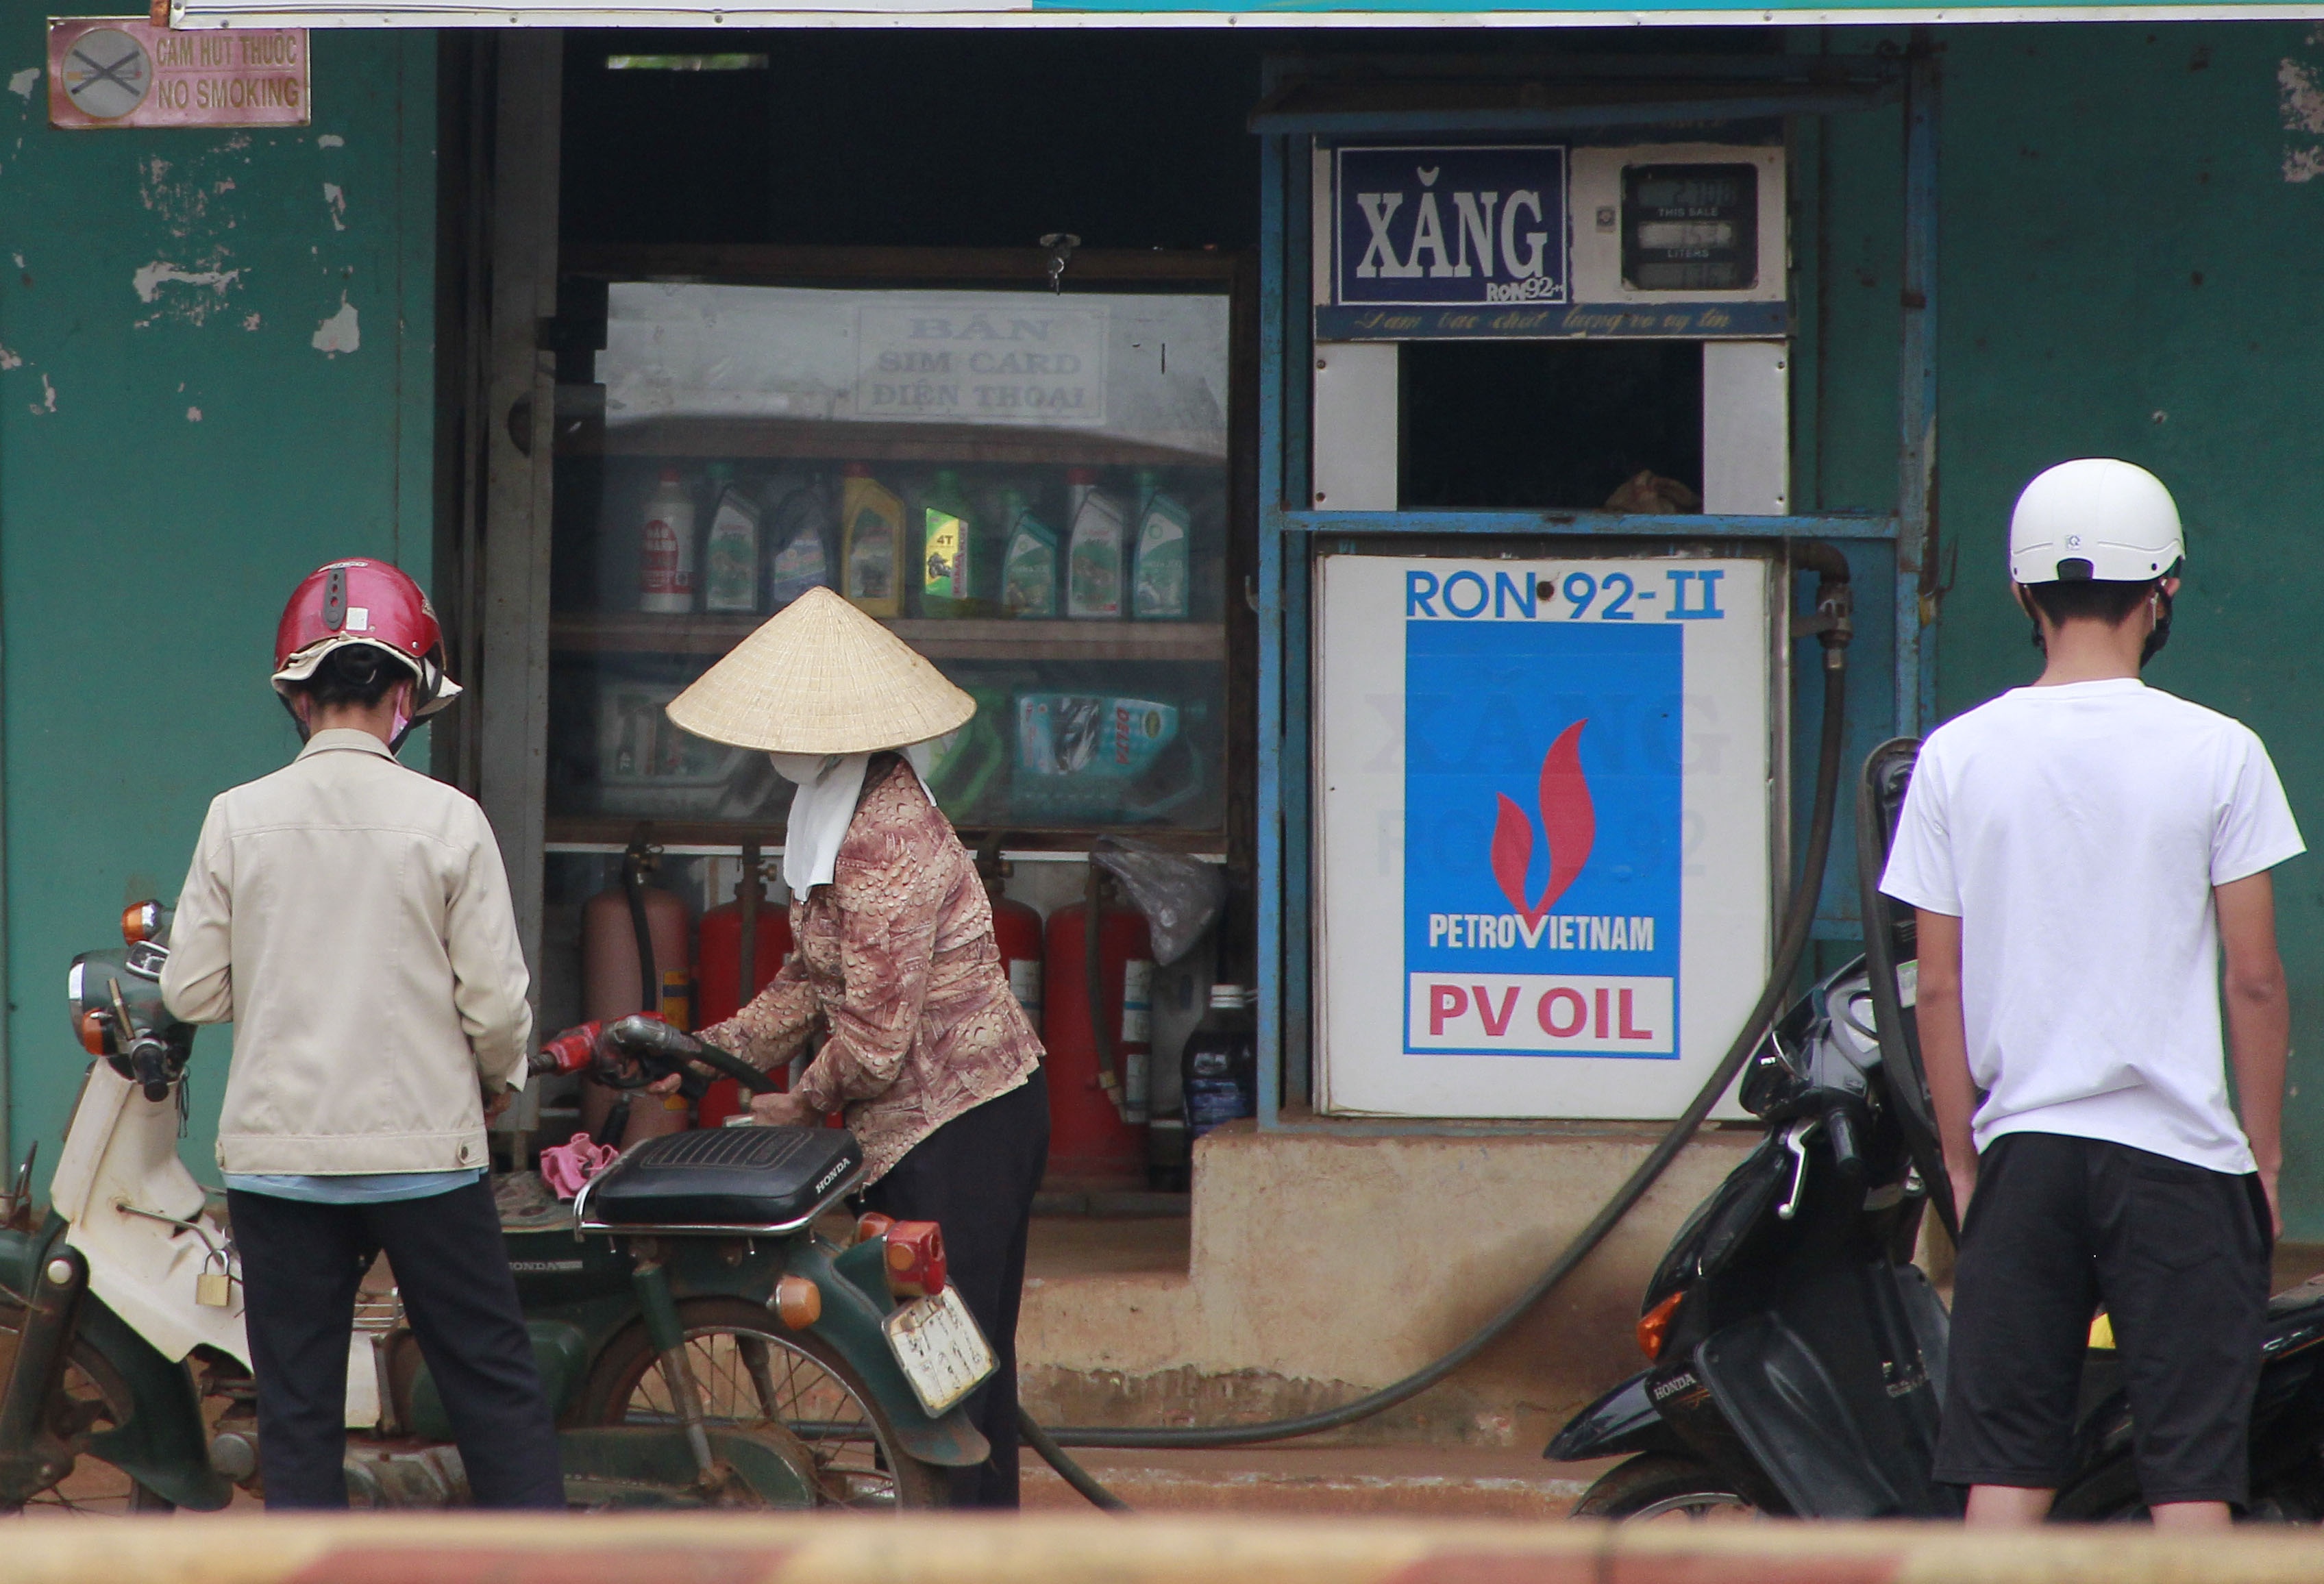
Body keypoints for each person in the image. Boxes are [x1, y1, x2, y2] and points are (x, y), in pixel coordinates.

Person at [1880, 459, 2301, 1529]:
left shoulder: (1955, 757)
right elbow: (2253, 981)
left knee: (2007, 1470)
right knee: (2194, 1478)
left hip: (2025, 1151)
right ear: (2163, 592)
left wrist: (1966, 1161)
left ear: (2022, 594)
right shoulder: (2222, 752)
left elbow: (1938, 989)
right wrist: (2263, 1156)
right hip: (2183, 1158)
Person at [160, 558, 563, 1511]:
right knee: (493, 1392)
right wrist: (496, 1079)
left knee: (298, 1411)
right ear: (402, 696)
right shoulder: (450, 822)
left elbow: (189, 988)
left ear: (298, 699)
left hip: (278, 1161)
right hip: (427, 1154)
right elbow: (499, 1007)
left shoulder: (235, 819)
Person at [645, 585, 1048, 1509]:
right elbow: (807, 981)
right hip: (908, 1128)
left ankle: (972, 1551)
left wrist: (799, 1101)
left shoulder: (885, 836)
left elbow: (870, 1040)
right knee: (937, 1357)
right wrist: (705, 1052)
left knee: (958, 1367)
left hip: (963, 1126)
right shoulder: (833, 815)